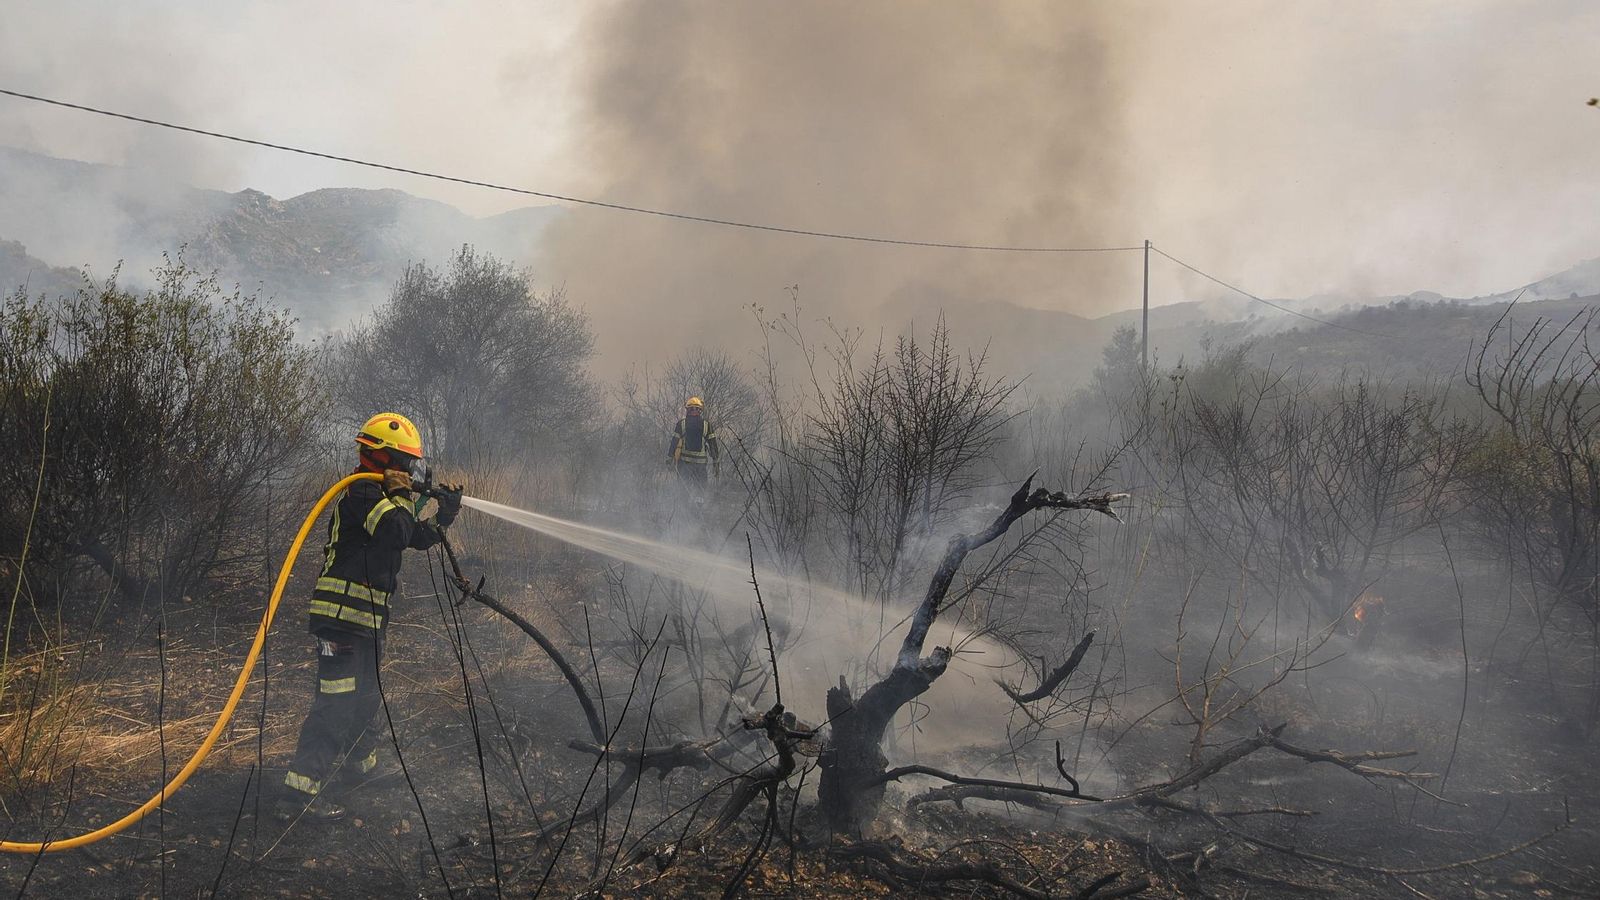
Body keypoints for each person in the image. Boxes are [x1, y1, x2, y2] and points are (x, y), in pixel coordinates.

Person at [276, 412, 462, 822]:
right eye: (404, 461)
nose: (409, 471)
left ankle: (361, 770)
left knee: (365, 697)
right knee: (337, 702)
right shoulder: (363, 493)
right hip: (340, 620)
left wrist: (444, 515)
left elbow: (413, 537)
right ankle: (297, 795)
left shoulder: (385, 497)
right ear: (381, 457)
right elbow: (395, 531)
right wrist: (406, 497)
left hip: (366, 622)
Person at [667, 396, 720, 498]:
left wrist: (669, 458)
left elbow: (674, 442)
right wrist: (716, 462)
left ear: (687, 410)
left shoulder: (681, 424)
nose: (694, 411)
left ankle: (685, 508)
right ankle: (698, 508)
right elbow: (713, 445)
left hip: (685, 465)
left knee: (683, 488)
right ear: (701, 410)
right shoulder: (707, 425)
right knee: (700, 489)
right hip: (700, 466)